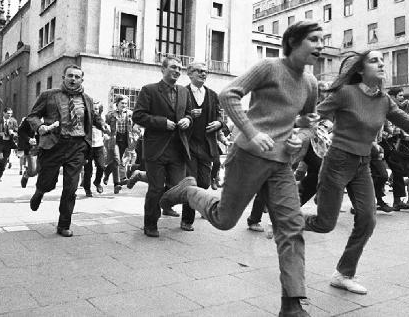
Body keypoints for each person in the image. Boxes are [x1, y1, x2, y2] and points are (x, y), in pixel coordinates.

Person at [160, 21, 323, 317]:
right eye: (314, 39)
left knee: (291, 228)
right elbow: (229, 94)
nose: (320, 45)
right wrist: (250, 131)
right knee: (224, 219)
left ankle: (292, 304)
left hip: (281, 164)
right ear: (294, 42)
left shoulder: (311, 83)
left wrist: (303, 135)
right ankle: (189, 189)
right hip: (248, 155)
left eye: (322, 40)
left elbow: (310, 119)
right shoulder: (269, 67)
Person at [302, 50, 409, 295]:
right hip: (337, 162)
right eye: (374, 60)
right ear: (361, 70)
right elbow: (313, 116)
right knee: (324, 224)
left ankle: (343, 274)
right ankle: (288, 220)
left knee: (367, 219)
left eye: (383, 60)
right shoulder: (345, 93)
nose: (381, 63)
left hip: (363, 164)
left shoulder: (384, 100)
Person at [27, 65, 107, 237]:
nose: (73, 79)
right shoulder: (49, 95)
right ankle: (40, 191)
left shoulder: (87, 99)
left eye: (77, 77)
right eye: (70, 76)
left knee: (71, 188)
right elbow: (32, 116)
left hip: (77, 147)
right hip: (54, 144)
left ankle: (63, 224)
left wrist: (103, 125)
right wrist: (40, 126)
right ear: (63, 77)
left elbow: (94, 117)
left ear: (81, 80)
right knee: (48, 181)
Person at [131, 55, 193, 237]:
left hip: (178, 149)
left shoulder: (184, 92)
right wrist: (162, 122)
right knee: (156, 188)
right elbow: (138, 116)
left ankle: (163, 203)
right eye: (173, 67)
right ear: (163, 69)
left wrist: (187, 120)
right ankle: (150, 224)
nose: (177, 71)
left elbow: (189, 114)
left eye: (179, 69)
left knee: (176, 188)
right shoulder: (149, 90)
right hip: (156, 149)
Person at [180, 62, 223, 231]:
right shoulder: (182, 92)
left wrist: (219, 123)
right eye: (199, 71)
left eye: (205, 72)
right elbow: (176, 115)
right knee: (191, 182)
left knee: (204, 183)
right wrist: (189, 115)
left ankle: (199, 204)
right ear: (190, 73)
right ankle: (187, 220)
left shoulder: (212, 95)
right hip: (188, 145)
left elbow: (220, 115)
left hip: (206, 145)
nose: (203, 74)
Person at [104, 95, 133, 193]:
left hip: (125, 140)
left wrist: (138, 131)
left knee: (117, 160)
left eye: (125, 103)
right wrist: (106, 132)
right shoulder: (111, 114)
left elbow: (136, 124)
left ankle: (107, 173)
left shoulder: (130, 114)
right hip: (115, 140)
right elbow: (105, 125)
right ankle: (118, 183)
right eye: (122, 103)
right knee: (116, 159)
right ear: (117, 104)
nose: (124, 105)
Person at [82, 101, 107, 197]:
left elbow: (103, 125)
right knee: (88, 170)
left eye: (96, 109)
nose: (94, 111)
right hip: (88, 147)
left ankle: (97, 182)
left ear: (100, 110)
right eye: (92, 109)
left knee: (101, 166)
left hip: (99, 146)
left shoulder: (101, 119)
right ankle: (87, 189)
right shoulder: (87, 119)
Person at [0, 107, 18, 182]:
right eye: (8, 113)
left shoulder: (14, 121)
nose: (10, 115)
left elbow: (17, 132)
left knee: (4, 162)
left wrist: (13, 133)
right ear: (4, 113)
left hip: (8, 144)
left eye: (11, 113)